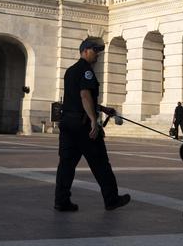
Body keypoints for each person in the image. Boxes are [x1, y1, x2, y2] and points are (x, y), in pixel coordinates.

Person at [54, 38, 131, 212]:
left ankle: (61, 200)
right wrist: (93, 121)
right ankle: (111, 199)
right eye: (95, 51)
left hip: (67, 123)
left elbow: (76, 99)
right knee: (101, 163)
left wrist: (102, 109)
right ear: (86, 50)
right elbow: (84, 96)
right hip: (82, 126)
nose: (97, 54)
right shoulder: (86, 70)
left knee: (66, 164)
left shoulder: (70, 71)